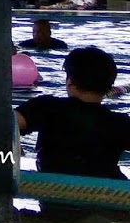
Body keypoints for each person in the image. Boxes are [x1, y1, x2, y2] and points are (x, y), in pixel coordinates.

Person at [16, 45, 130, 180]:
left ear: (70, 82)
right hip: (105, 195)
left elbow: (4, 124)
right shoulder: (119, 123)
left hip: (51, 191)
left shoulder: (46, 107)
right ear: (109, 88)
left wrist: (17, 147)